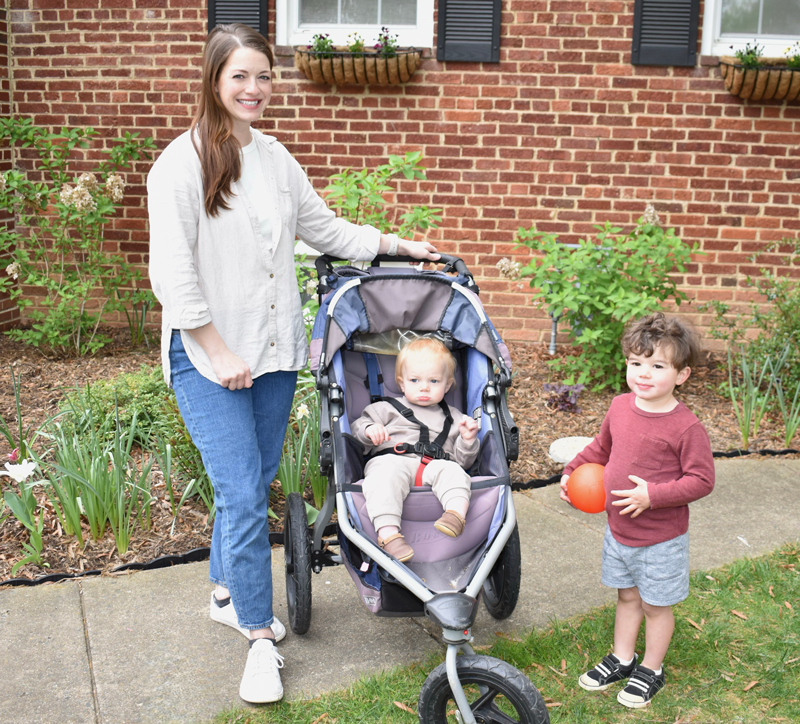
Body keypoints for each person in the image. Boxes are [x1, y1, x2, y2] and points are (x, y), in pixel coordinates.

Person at [146, 23, 438, 705]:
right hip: (207, 356)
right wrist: (216, 351)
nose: (254, 89)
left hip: (273, 351)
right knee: (246, 493)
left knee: (254, 480)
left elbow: (326, 229)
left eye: (264, 75)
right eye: (240, 75)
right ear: (214, 80)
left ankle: (224, 590)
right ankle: (257, 636)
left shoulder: (276, 157)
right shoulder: (181, 164)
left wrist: (399, 246)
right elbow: (173, 273)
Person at [560, 312, 715, 708]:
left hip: (661, 539)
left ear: (682, 375)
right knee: (627, 597)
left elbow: (702, 480)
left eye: (657, 366)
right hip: (619, 531)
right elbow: (601, 448)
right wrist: (573, 471)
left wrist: (654, 496)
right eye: (636, 363)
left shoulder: (686, 428)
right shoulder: (620, 406)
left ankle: (651, 667)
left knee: (655, 606)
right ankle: (622, 657)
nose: (643, 374)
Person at [351, 337, 479, 562]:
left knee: (455, 474)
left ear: (447, 385)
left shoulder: (455, 416)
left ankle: (455, 514)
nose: (424, 387)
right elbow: (357, 430)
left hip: (437, 464)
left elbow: (462, 462)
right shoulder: (383, 408)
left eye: (433, 381)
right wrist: (370, 430)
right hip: (392, 459)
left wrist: (467, 440)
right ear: (401, 383)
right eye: (414, 380)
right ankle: (389, 535)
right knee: (382, 478)